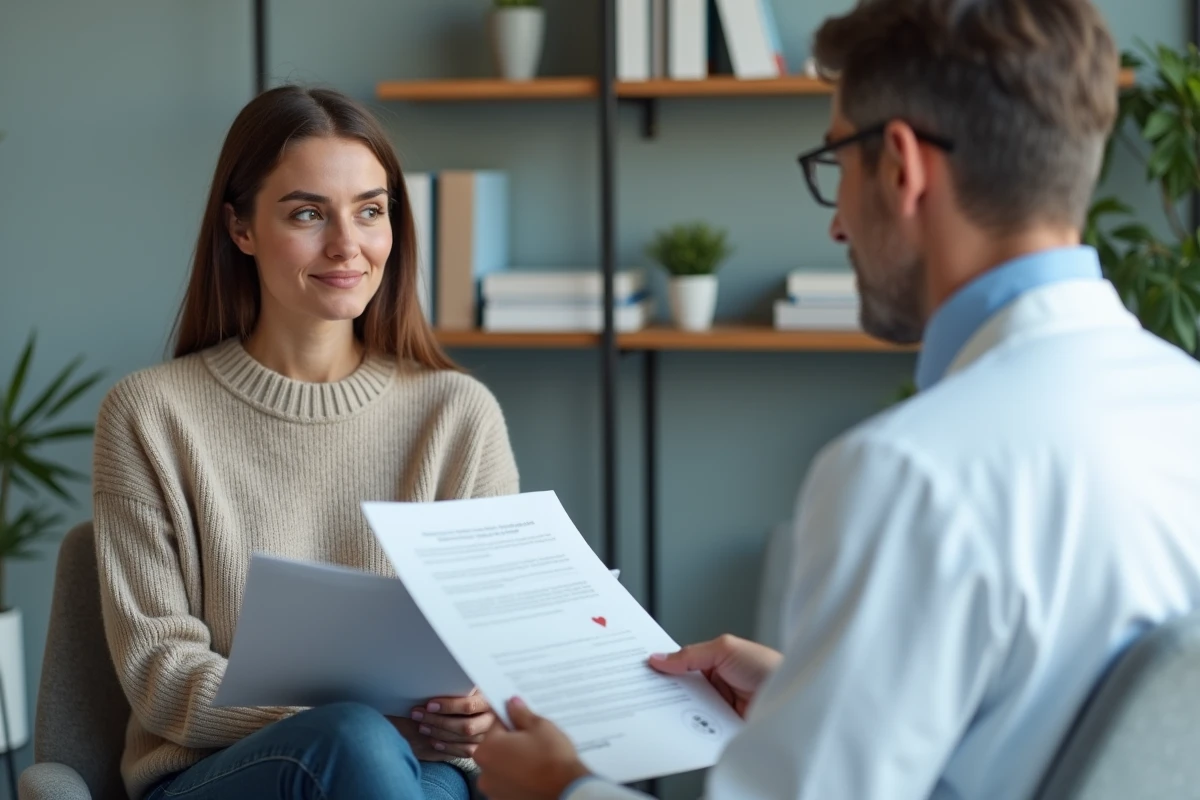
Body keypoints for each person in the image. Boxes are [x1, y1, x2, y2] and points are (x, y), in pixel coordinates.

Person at [471, 0, 1200, 798]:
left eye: (838, 161)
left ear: (901, 167)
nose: (837, 226)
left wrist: (563, 788)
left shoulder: (912, 472)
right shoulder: (1181, 402)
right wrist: (809, 697)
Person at [92, 85, 519, 800]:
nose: (347, 245)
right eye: (308, 213)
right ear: (240, 228)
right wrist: (366, 722)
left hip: (424, 771)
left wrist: (480, 703)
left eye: (370, 211)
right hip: (223, 773)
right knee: (355, 741)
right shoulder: (150, 416)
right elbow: (160, 675)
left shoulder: (458, 416)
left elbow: (494, 648)